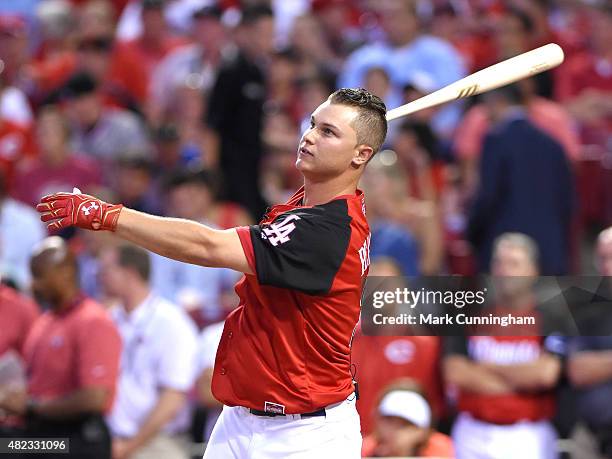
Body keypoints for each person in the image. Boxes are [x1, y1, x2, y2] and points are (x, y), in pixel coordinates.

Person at [35, 87, 387, 458]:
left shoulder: (327, 231)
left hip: (305, 435)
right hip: (241, 420)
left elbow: (208, 247)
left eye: (328, 132)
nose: (310, 136)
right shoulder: (313, 203)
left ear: (361, 155)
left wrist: (109, 216)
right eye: (313, 124)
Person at [443, 233, 570, 459]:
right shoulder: (470, 314)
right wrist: (520, 381)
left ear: (533, 271)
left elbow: (545, 374)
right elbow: (456, 372)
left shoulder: (551, 318)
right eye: (499, 263)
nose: (505, 271)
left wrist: (484, 368)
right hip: (472, 431)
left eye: (514, 264)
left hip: (526, 434)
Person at [0, 236, 121, 459]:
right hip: (43, 433)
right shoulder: (45, 321)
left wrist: (31, 406)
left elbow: (94, 398)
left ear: (65, 272)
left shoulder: (92, 320)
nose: (33, 284)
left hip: (75, 439)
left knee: (5, 448)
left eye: (39, 276)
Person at [100, 244, 198, 459]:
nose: (99, 276)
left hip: (158, 442)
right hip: (109, 438)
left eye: (106, 270)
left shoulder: (172, 322)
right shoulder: (107, 318)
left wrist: (130, 447)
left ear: (130, 273)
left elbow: (173, 398)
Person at [466, 84, 575, 275]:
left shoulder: (495, 141)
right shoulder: (553, 144)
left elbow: (488, 197)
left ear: (497, 100)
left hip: (506, 257)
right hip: (550, 253)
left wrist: (471, 235)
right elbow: (567, 204)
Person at [566, 227, 612, 459]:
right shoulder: (585, 311)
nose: (608, 266)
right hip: (592, 438)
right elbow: (578, 370)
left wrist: (601, 364)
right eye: (603, 258)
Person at [361, 379, 454, 458]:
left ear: (422, 431)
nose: (393, 431)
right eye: (389, 420)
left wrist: (403, 454)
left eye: (405, 424)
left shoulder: (439, 447)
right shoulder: (362, 448)